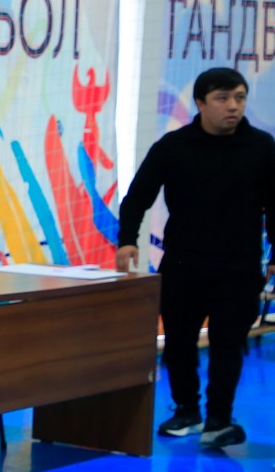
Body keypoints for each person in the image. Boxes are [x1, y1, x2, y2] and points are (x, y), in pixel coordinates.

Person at [116, 66, 275, 450]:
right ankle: (187, 409)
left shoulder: (261, 146)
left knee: (227, 342)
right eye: (223, 98)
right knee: (179, 342)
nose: (233, 106)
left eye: (239, 98)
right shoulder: (173, 147)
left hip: (238, 266)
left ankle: (220, 418)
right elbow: (137, 197)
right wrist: (127, 241)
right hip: (183, 264)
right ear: (201, 103)